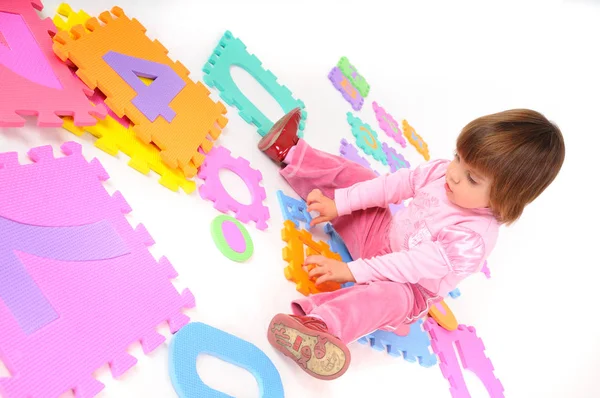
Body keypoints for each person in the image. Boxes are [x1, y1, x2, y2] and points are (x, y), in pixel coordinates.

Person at [260, 108, 565, 380]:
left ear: (505, 198)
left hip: (409, 288)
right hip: (382, 238)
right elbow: (394, 185)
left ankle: (317, 327)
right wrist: (339, 205)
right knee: (362, 177)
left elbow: (408, 267)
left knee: (385, 298)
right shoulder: (441, 172)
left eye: (472, 178)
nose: (454, 174)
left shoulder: (472, 239)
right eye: (458, 157)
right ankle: (291, 153)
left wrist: (349, 271)